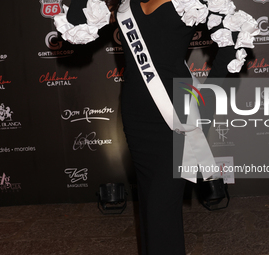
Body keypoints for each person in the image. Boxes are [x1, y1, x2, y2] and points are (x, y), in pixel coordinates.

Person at [54, 0, 258, 254]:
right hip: (135, 113)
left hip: (176, 113)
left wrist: (209, 95)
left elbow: (236, 33)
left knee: (161, 205)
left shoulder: (191, 1)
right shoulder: (126, 4)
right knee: (150, 205)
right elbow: (74, 22)